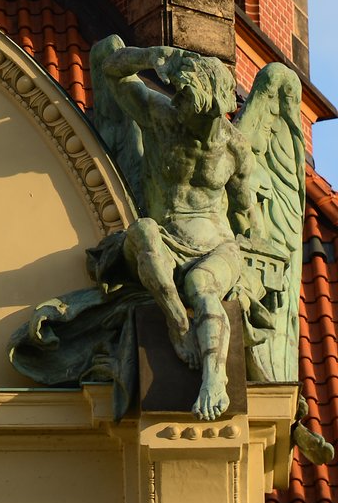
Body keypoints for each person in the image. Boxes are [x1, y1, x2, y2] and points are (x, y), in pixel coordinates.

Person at [97, 39, 260, 421]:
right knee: (142, 232)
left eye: (186, 100)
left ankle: (213, 379)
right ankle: (176, 322)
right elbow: (110, 70)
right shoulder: (160, 116)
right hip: (167, 237)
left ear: (209, 108)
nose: (178, 103)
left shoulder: (234, 148)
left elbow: (247, 212)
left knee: (203, 288)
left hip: (217, 247)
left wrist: (258, 250)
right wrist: (151, 56)